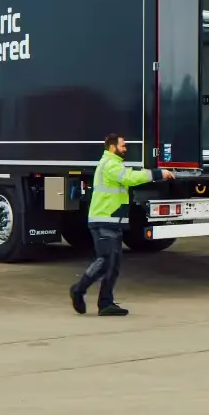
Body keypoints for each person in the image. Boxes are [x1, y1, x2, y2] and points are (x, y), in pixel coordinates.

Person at [69, 133, 155, 317]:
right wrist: (156, 174)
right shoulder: (110, 164)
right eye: (123, 145)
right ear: (112, 147)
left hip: (112, 221)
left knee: (113, 264)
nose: (126, 148)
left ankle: (106, 303)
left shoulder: (115, 164)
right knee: (105, 259)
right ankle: (79, 289)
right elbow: (130, 178)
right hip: (103, 220)